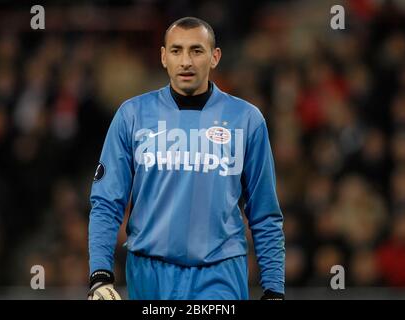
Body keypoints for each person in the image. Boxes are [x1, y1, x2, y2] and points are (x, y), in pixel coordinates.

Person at [87, 17, 285, 300]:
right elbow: (106, 202)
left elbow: (265, 213)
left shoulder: (247, 120)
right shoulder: (132, 115)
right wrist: (100, 273)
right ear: (163, 57)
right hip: (149, 273)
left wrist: (274, 288)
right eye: (177, 50)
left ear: (214, 57)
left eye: (196, 50)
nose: (186, 61)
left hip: (221, 273)